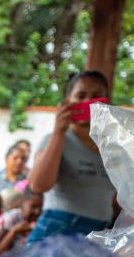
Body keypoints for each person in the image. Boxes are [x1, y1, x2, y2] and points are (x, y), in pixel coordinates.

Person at [28, 70, 114, 242]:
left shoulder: (112, 147)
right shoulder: (55, 140)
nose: (88, 102)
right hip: (56, 229)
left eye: (96, 96)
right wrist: (59, 131)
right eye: (80, 95)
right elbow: (38, 185)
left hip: (98, 235)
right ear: (68, 101)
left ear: (106, 102)